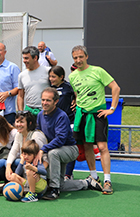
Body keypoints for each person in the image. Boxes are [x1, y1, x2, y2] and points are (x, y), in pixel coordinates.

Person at [69, 45, 120, 195]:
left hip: (98, 115)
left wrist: (111, 109)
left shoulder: (98, 71)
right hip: (82, 115)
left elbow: (115, 88)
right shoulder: (72, 76)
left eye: (80, 57)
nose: (78, 60)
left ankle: (107, 180)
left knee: (103, 147)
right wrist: (77, 104)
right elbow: (78, 94)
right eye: (75, 58)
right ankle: (94, 177)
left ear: (86, 56)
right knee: (86, 146)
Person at [37, 88, 104, 200]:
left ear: (56, 101)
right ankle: (87, 183)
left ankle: (54, 190)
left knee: (53, 153)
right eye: (43, 100)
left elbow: (60, 139)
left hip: (69, 149)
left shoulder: (61, 116)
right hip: (55, 149)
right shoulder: (40, 115)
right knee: (61, 184)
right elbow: (39, 133)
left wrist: (43, 149)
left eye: (48, 100)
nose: (44, 103)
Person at [4, 111, 48, 183]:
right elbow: (13, 152)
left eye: (21, 122)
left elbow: (46, 157)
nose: (18, 124)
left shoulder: (36, 136)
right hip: (25, 163)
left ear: (29, 123)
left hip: (36, 168)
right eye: (17, 121)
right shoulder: (19, 134)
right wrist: (8, 167)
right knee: (3, 163)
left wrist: (38, 172)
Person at [17, 46, 50, 115]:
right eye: (23, 58)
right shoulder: (22, 75)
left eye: (26, 58)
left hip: (46, 111)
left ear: (35, 58)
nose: (24, 61)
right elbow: (20, 96)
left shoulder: (48, 71)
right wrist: (20, 112)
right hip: (29, 111)